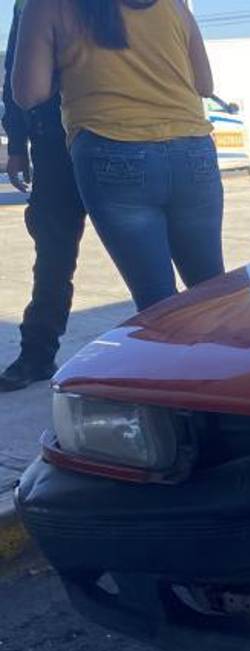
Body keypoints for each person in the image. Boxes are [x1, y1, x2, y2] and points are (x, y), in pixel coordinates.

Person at [12, 0, 224, 314]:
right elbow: (205, 85)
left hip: (113, 153)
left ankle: (175, 361)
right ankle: (232, 363)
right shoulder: (173, 4)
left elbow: (29, 94)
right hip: (192, 151)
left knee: (158, 306)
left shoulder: (46, 6)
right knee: (215, 293)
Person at [1, 0, 88, 392]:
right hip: (54, 145)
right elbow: (15, 72)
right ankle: (36, 354)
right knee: (53, 254)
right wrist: (17, 143)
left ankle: (180, 355)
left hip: (112, 135)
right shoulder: (29, 4)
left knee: (147, 249)